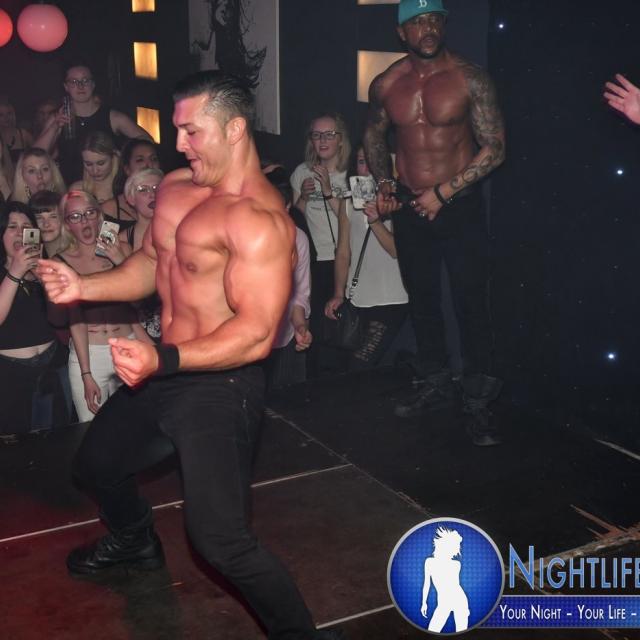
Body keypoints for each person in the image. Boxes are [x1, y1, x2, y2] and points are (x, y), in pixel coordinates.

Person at [38, 71, 344, 640]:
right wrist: (84, 287)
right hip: (165, 367)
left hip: (219, 385)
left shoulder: (259, 221)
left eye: (191, 131)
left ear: (234, 129)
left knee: (221, 542)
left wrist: (164, 361)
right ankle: (135, 540)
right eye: (177, 130)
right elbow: (154, 264)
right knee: (95, 466)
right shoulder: (178, 188)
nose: (178, 144)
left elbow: (256, 334)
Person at [363, 0, 506, 446]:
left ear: (443, 25)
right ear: (401, 32)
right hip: (410, 205)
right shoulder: (387, 83)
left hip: (458, 206)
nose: (426, 28)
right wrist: (385, 183)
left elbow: (496, 147)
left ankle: (478, 400)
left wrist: (443, 192)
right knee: (422, 299)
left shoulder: (469, 78)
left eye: (433, 19)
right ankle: (436, 382)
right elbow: (373, 132)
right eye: (417, 21)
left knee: (470, 302)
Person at [56, 190, 150, 423]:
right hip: (90, 353)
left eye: (89, 213)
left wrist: (120, 261)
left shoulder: (123, 249)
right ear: (67, 224)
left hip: (126, 345)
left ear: (99, 216)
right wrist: (86, 373)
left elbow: (138, 303)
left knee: (133, 425)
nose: (84, 221)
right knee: (90, 427)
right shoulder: (62, 261)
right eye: (75, 216)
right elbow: (75, 321)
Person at [324, 146, 408, 371]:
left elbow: (396, 250)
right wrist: (338, 293)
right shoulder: (348, 202)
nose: (368, 168)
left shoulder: (398, 202)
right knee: (348, 364)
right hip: (358, 299)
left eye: (375, 163)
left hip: (391, 298)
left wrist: (375, 221)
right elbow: (343, 251)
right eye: (362, 162)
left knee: (360, 364)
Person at [0, 201, 67, 438]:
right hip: (10, 373)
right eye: (12, 227)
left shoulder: (46, 269)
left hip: (50, 367)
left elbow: (61, 319)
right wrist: (15, 272)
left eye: (26, 227)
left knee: (54, 443)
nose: (20, 233)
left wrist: (43, 279)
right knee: (14, 446)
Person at [290, 113, 350, 376]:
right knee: (314, 322)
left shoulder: (349, 174)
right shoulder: (302, 172)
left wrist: (327, 191)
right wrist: (303, 198)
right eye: (317, 135)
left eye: (329, 135)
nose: (322, 140)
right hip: (313, 260)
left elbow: (351, 219)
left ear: (341, 140)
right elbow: (295, 220)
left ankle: (342, 378)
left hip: (342, 258)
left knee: (340, 325)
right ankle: (314, 380)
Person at [34, 63, 152, 183]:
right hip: (70, 187)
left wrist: (123, 155)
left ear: (93, 84)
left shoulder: (112, 116)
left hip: (108, 186)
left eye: (85, 80)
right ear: (66, 86)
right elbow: (34, 156)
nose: (80, 86)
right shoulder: (58, 117)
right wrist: (55, 126)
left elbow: (147, 140)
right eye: (74, 81)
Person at [264, 167, 312, 389]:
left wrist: (301, 327)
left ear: (287, 207)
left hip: (283, 336)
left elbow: (299, 294)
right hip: (247, 339)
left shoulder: (298, 239)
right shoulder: (242, 237)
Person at [119, 168, 164, 342]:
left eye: (157, 188)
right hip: (135, 331)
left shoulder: (180, 233)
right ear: (131, 199)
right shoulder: (121, 241)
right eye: (143, 190)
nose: (152, 194)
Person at [102, 138, 161, 227]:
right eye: (140, 160)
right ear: (127, 169)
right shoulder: (111, 209)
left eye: (153, 159)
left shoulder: (170, 200)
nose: (148, 165)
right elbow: (106, 236)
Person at [69, 131, 120, 205]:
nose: (95, 170)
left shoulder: (125, 187)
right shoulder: (77, 190)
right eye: (88, 164)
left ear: (113, 158)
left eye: (101, 163)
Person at [0, 98, 34, 166]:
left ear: (14, 114)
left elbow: (39, 153)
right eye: (1, 115)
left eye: (9, 113)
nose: (6, 117)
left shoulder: (24, 135)